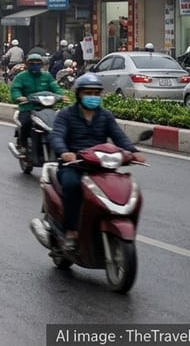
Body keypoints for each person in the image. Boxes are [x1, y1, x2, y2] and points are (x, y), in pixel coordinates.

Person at [50, 74, 144, 249]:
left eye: (96, 93)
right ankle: (71, 230)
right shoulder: (66, 115)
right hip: (74, 165)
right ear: (79, 94)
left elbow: (119, 137)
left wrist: (133, 151)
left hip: (100, 166)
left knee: (123, 187)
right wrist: (64, 153)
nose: (93, 97)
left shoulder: (105, 115)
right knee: (71, 185)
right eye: (88, 93)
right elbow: (57, 137)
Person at [9, 52, 64, 152]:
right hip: (28, 107)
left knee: (57, 124)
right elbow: (15, 89)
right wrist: (19, 97)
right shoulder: (21, 77)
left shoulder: (47, 76)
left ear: (42, 65)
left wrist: (60, 96)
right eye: (32, 63)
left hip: (46, 108)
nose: (35, 66)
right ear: (27, 65)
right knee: (26, 123)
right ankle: (23, 144)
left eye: (38, 64)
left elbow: (55, 87)